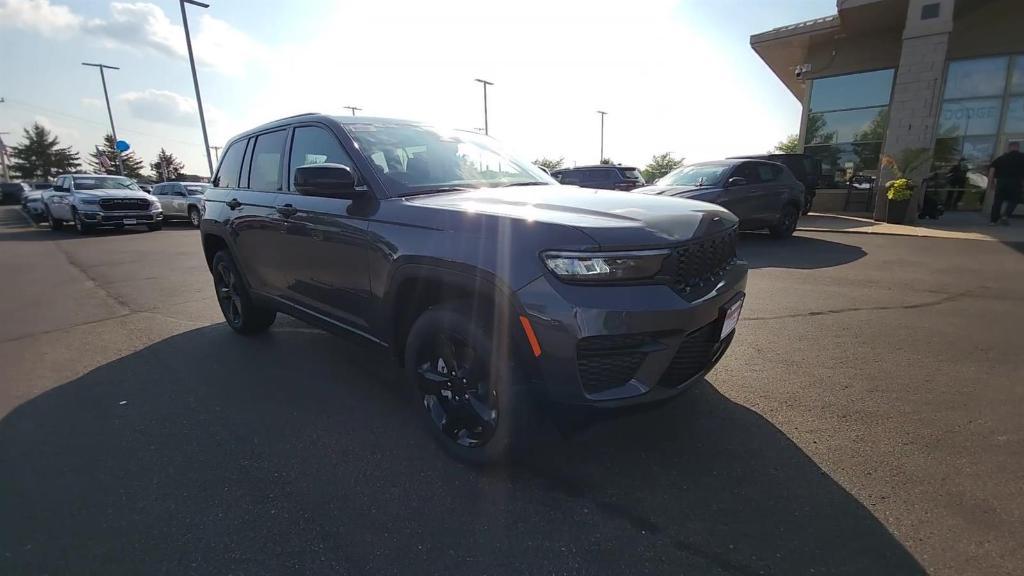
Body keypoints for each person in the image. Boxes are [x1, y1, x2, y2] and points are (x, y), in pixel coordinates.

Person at [988, 142, 1024, 225]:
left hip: (1001, 182)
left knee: (997, 201)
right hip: (1016, 182)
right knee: (1014, 200)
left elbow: (991, 171)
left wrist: (991, 183)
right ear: (1018, 147)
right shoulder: (1022, 157)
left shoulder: (1001, 158)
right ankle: (1005, 215)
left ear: (1009, 148)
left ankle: (993, 221)